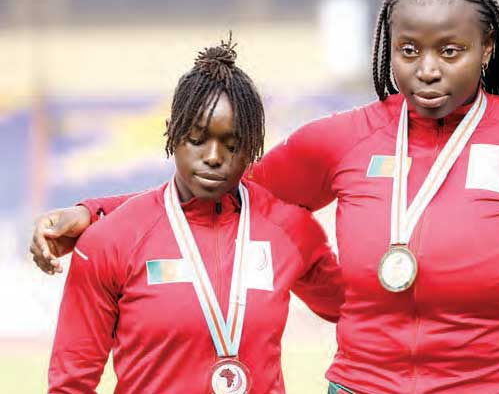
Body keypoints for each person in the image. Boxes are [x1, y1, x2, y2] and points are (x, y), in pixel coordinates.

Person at [33, 0, 499, 393]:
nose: (427, 70)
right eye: (409, 50)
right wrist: (100, 211)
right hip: (366, 386)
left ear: (487, 47)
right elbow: (221, 182)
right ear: (387, 48)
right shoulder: (342, 140)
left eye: (451, 51)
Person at [46, 39, 344, 393]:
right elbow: (70, 383)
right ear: (173, 131)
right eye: (197, 139)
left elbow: (365, 310)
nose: (214, 156)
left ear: (253, 144)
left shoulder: (288, 231)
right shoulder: (107, 241)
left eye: (231, 144)